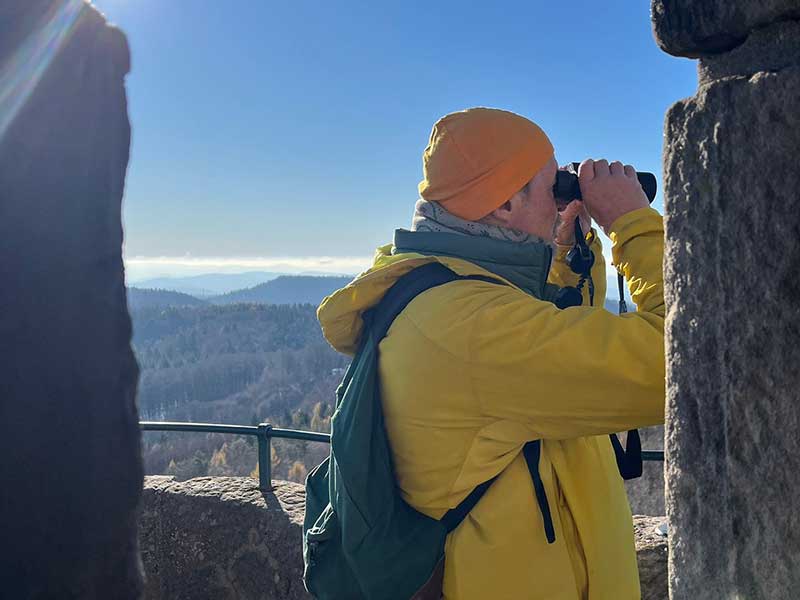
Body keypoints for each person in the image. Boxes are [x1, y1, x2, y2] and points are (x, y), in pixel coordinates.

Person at [317, 107, 665, 599]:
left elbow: (556, 340)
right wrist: (635, 226)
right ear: (503, 205)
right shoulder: (471, 327)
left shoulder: (444, 288)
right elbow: (678, 364)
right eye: (553, 184)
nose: (563, 195)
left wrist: (566, 251)